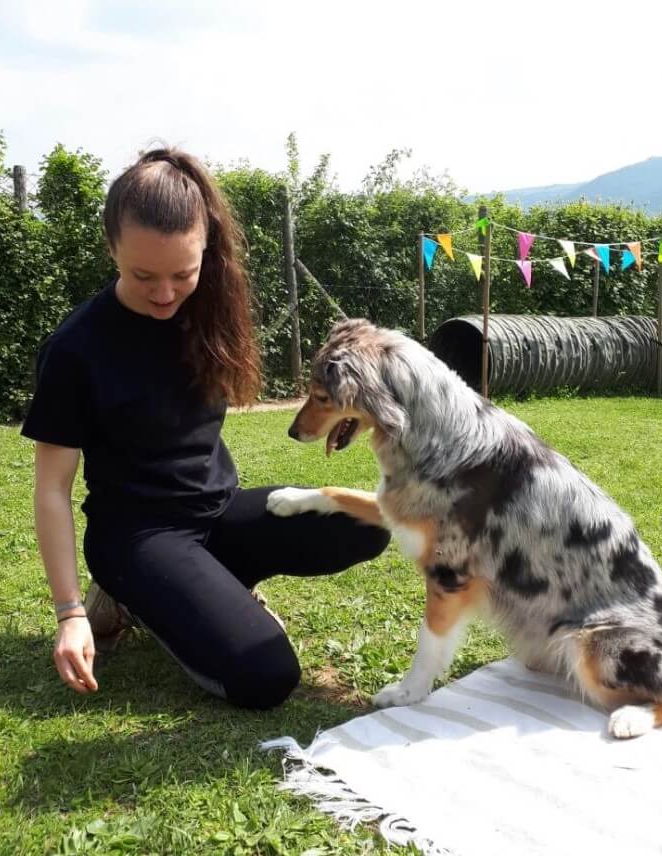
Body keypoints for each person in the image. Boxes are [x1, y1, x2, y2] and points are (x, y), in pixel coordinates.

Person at [21, 146, 389, 710]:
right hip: (138, 538)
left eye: (182, 274)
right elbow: (51, 490)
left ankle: (207, 589)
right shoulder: (77, 349)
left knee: (364, 522)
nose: (165, 294)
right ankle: (126, 597)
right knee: (265, 676)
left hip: (219, 515)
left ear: (205, 252)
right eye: (143, 275)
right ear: (111, 247)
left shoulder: (211, 313)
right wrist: (69, 614)